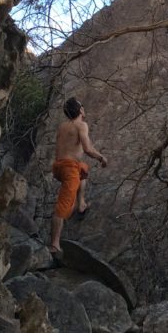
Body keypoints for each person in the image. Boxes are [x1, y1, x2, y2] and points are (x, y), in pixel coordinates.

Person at [49, 97, 108, 253]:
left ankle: (80, 203)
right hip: (69, 169)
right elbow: (87, 148)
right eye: (82, 106)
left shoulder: (63, 126)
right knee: (63, 206)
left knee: (83, 168)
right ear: (80, 110)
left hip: (58, 167)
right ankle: (54, 244)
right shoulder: (81, 125)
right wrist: (101, 157)